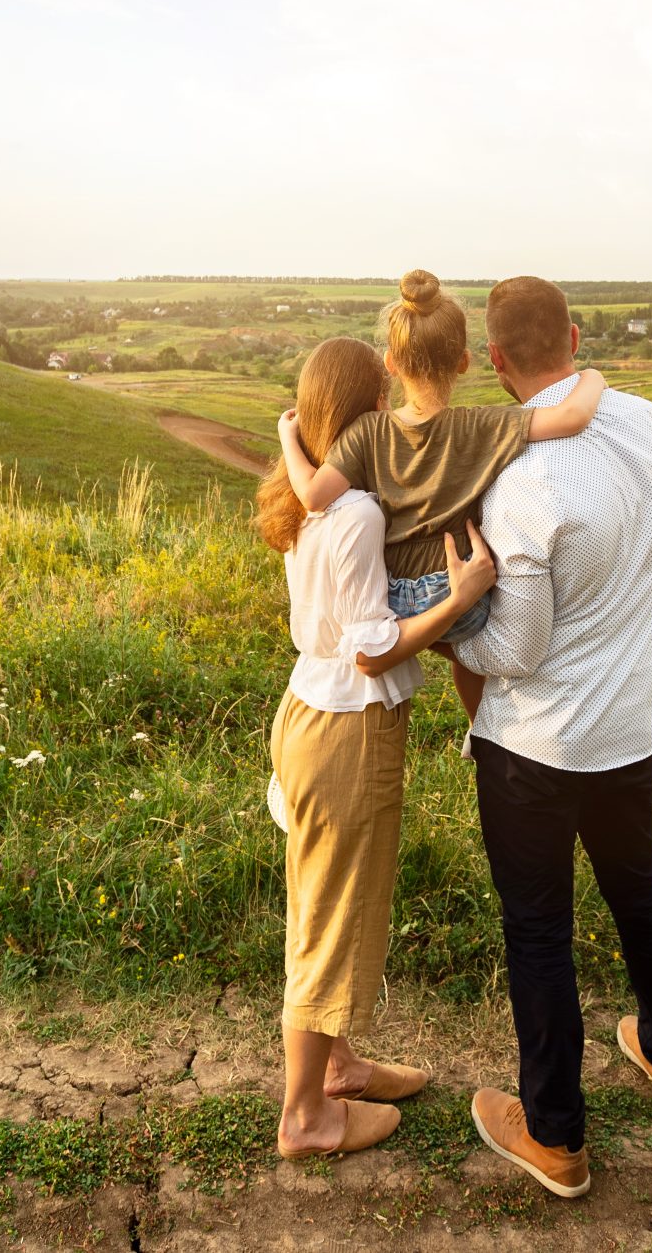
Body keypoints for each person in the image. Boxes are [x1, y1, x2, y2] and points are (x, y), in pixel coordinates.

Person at [451, 275, 652, 1199]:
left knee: (539, 932)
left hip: (536, 743)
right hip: (630, 720)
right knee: (640, 889)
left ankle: (557, 1136)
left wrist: (454, 605)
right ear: (574, 332)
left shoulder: (518, 480)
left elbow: (514, 651)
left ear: (495, 361)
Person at [253, 335, 498, 1158]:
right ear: (365, 414)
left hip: (307, 712)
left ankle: (339, 1067)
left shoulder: (303, 501)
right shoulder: (354, 511)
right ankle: (305, 1118)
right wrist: (459, 599)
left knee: (320, 902)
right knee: (330, 917)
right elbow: (371, 646)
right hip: (347, 726)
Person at [275, 269, 605, 727]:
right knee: (470, 651)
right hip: (460, 601)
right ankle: (481, 726)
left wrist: (287, 437)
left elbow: (312, 496)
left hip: (391, 603)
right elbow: (572, 416)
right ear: (466, 361)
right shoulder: (479, 425)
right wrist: (592, 376)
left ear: (391, 363)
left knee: (444, 641)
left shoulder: (367, 431)